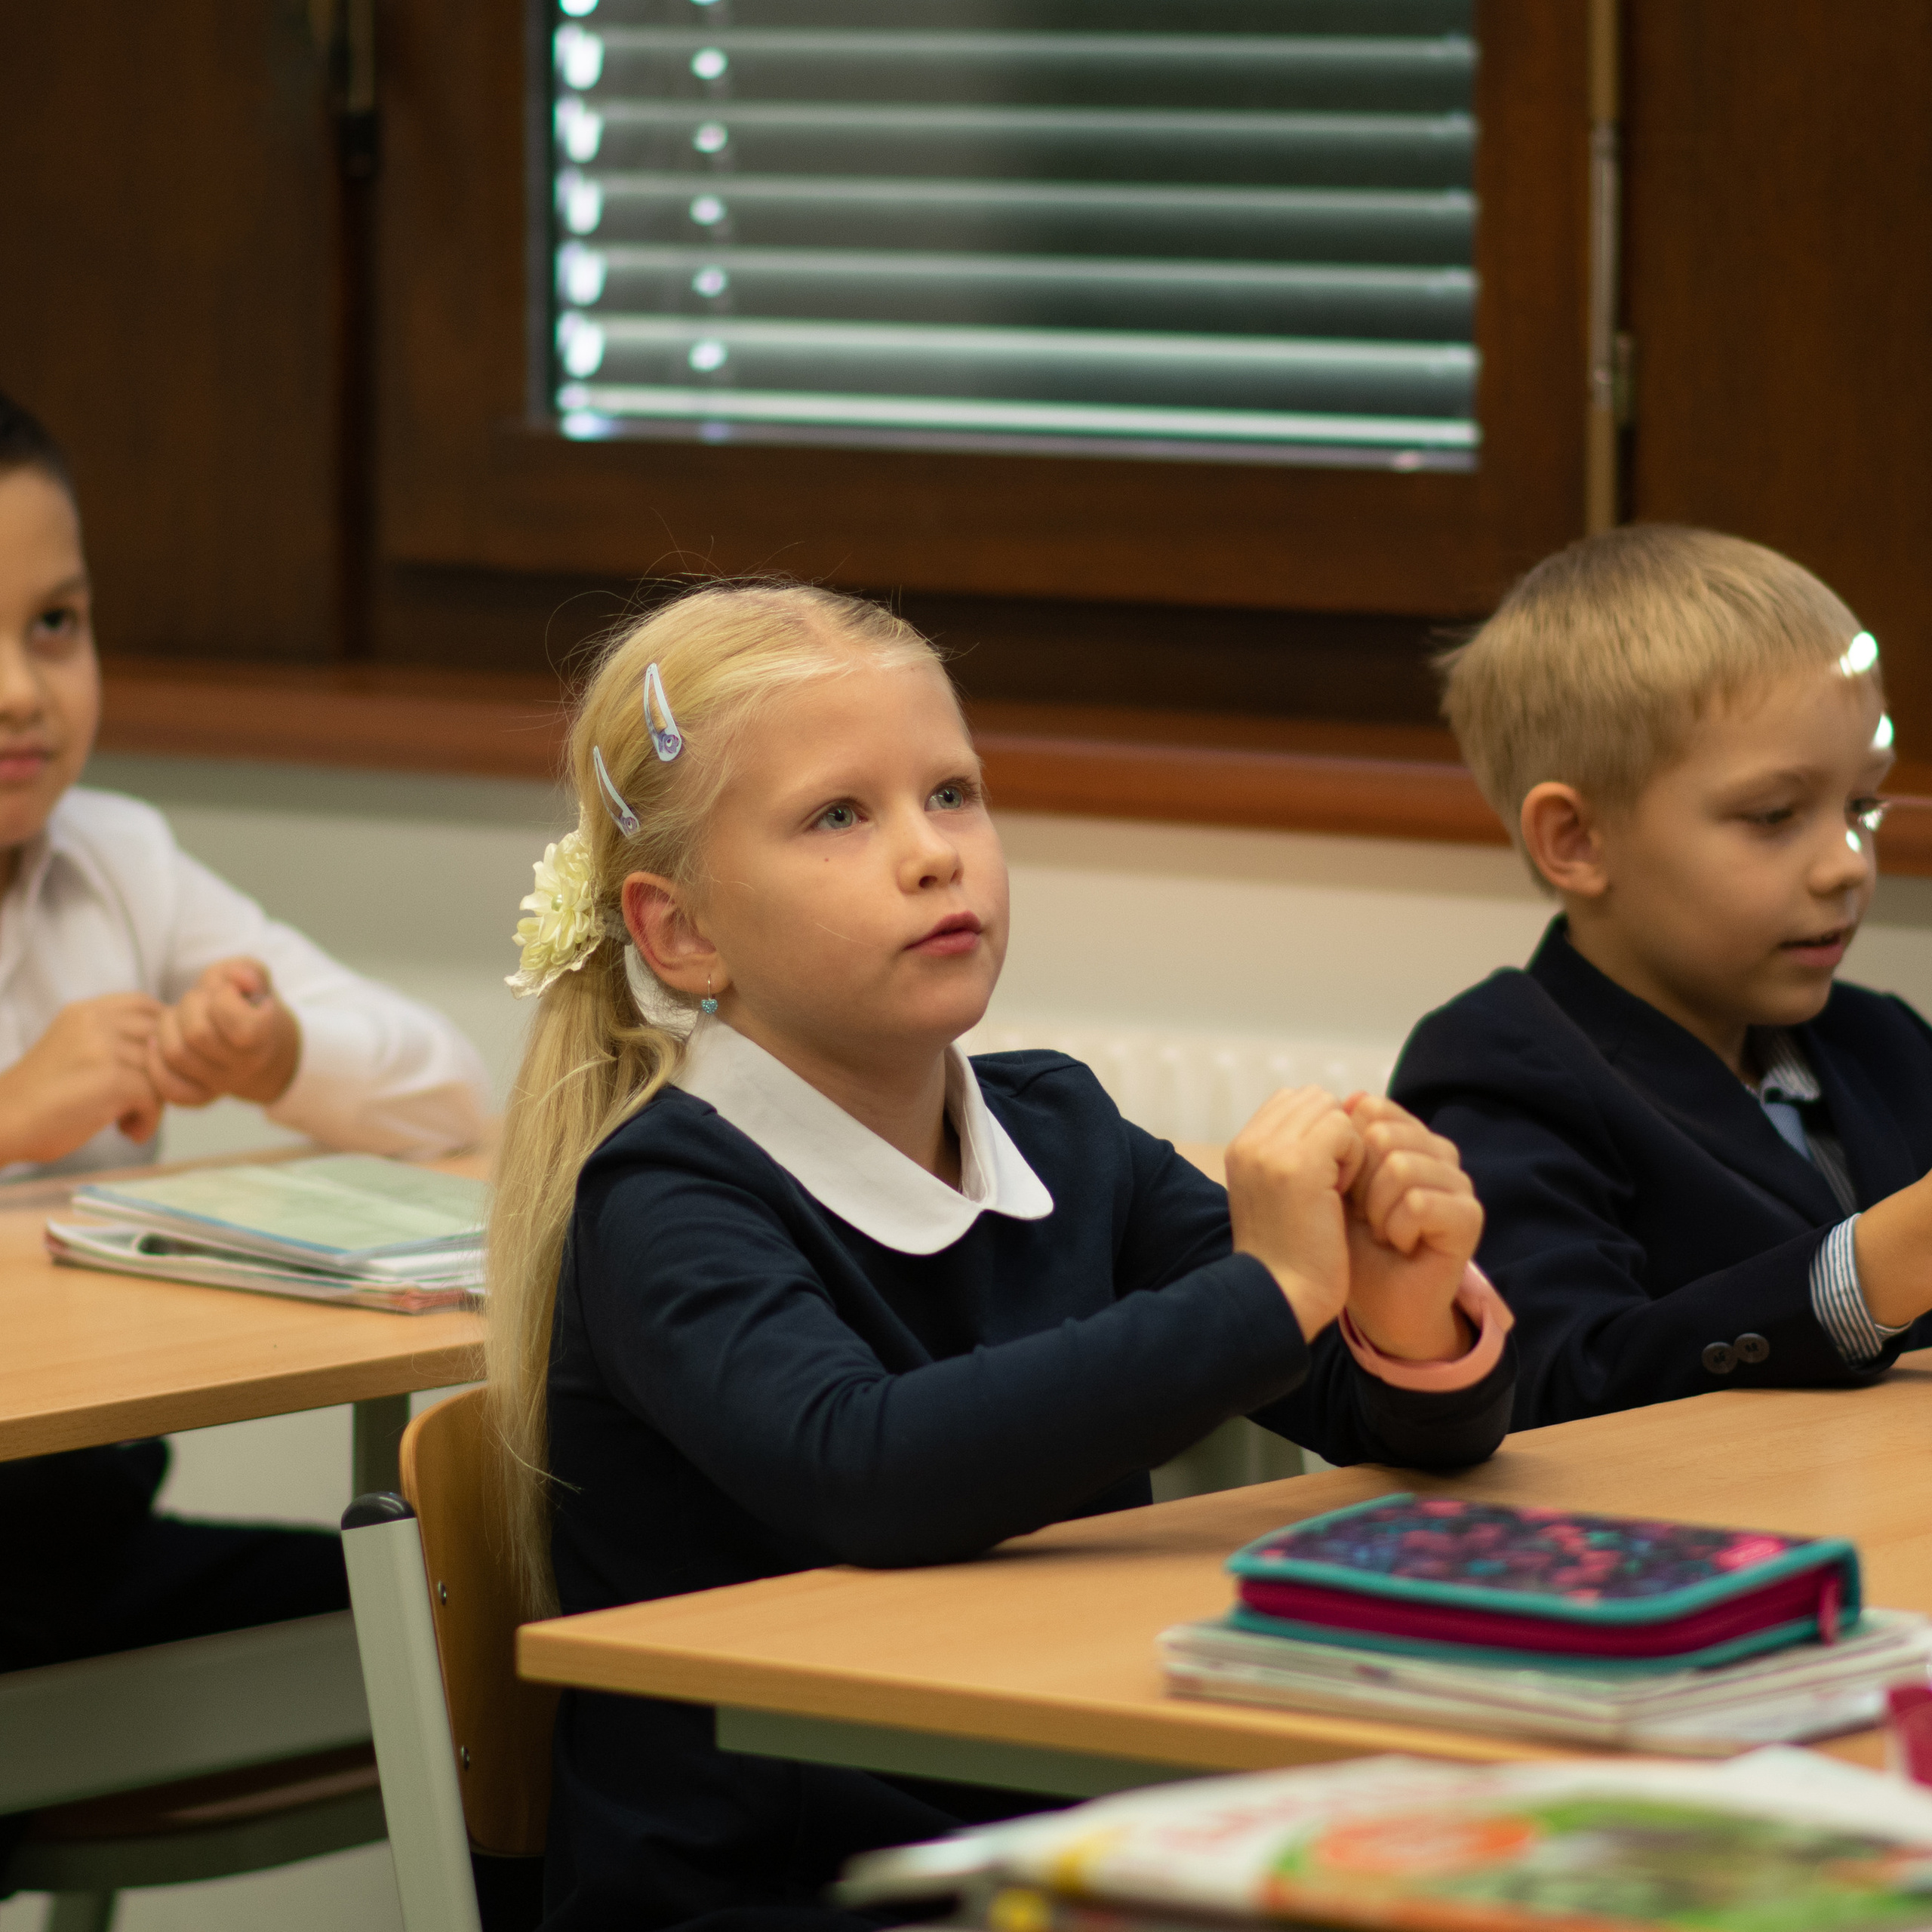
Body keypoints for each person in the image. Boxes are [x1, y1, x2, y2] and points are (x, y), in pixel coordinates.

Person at [485, 581, 1518, 1931]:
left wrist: (1404, 1311)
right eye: (839, 816)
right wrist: (1274, 1291)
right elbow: (870, 1471)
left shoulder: (1060, 1129)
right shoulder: (666, 1200)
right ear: (683, 932)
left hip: (1066, 1837)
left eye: (954, 794)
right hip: (784, 1886)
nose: (933, 853)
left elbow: (1395, 1425)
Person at [0, 389, 491, 1690]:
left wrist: (275, 1059)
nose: (19, 691)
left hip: (77, 1549)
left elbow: (448, 1095)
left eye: (55, 624)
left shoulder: (114, 862)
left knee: (465, 1638)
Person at [1390, 524, 1932, 1433]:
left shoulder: (1880, 1040)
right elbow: (1556, 1388)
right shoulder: (1500, 1071)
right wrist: (1871, 1272)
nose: (1848, 864)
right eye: (1773, 815)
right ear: (1577, 841)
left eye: (1860, 806)